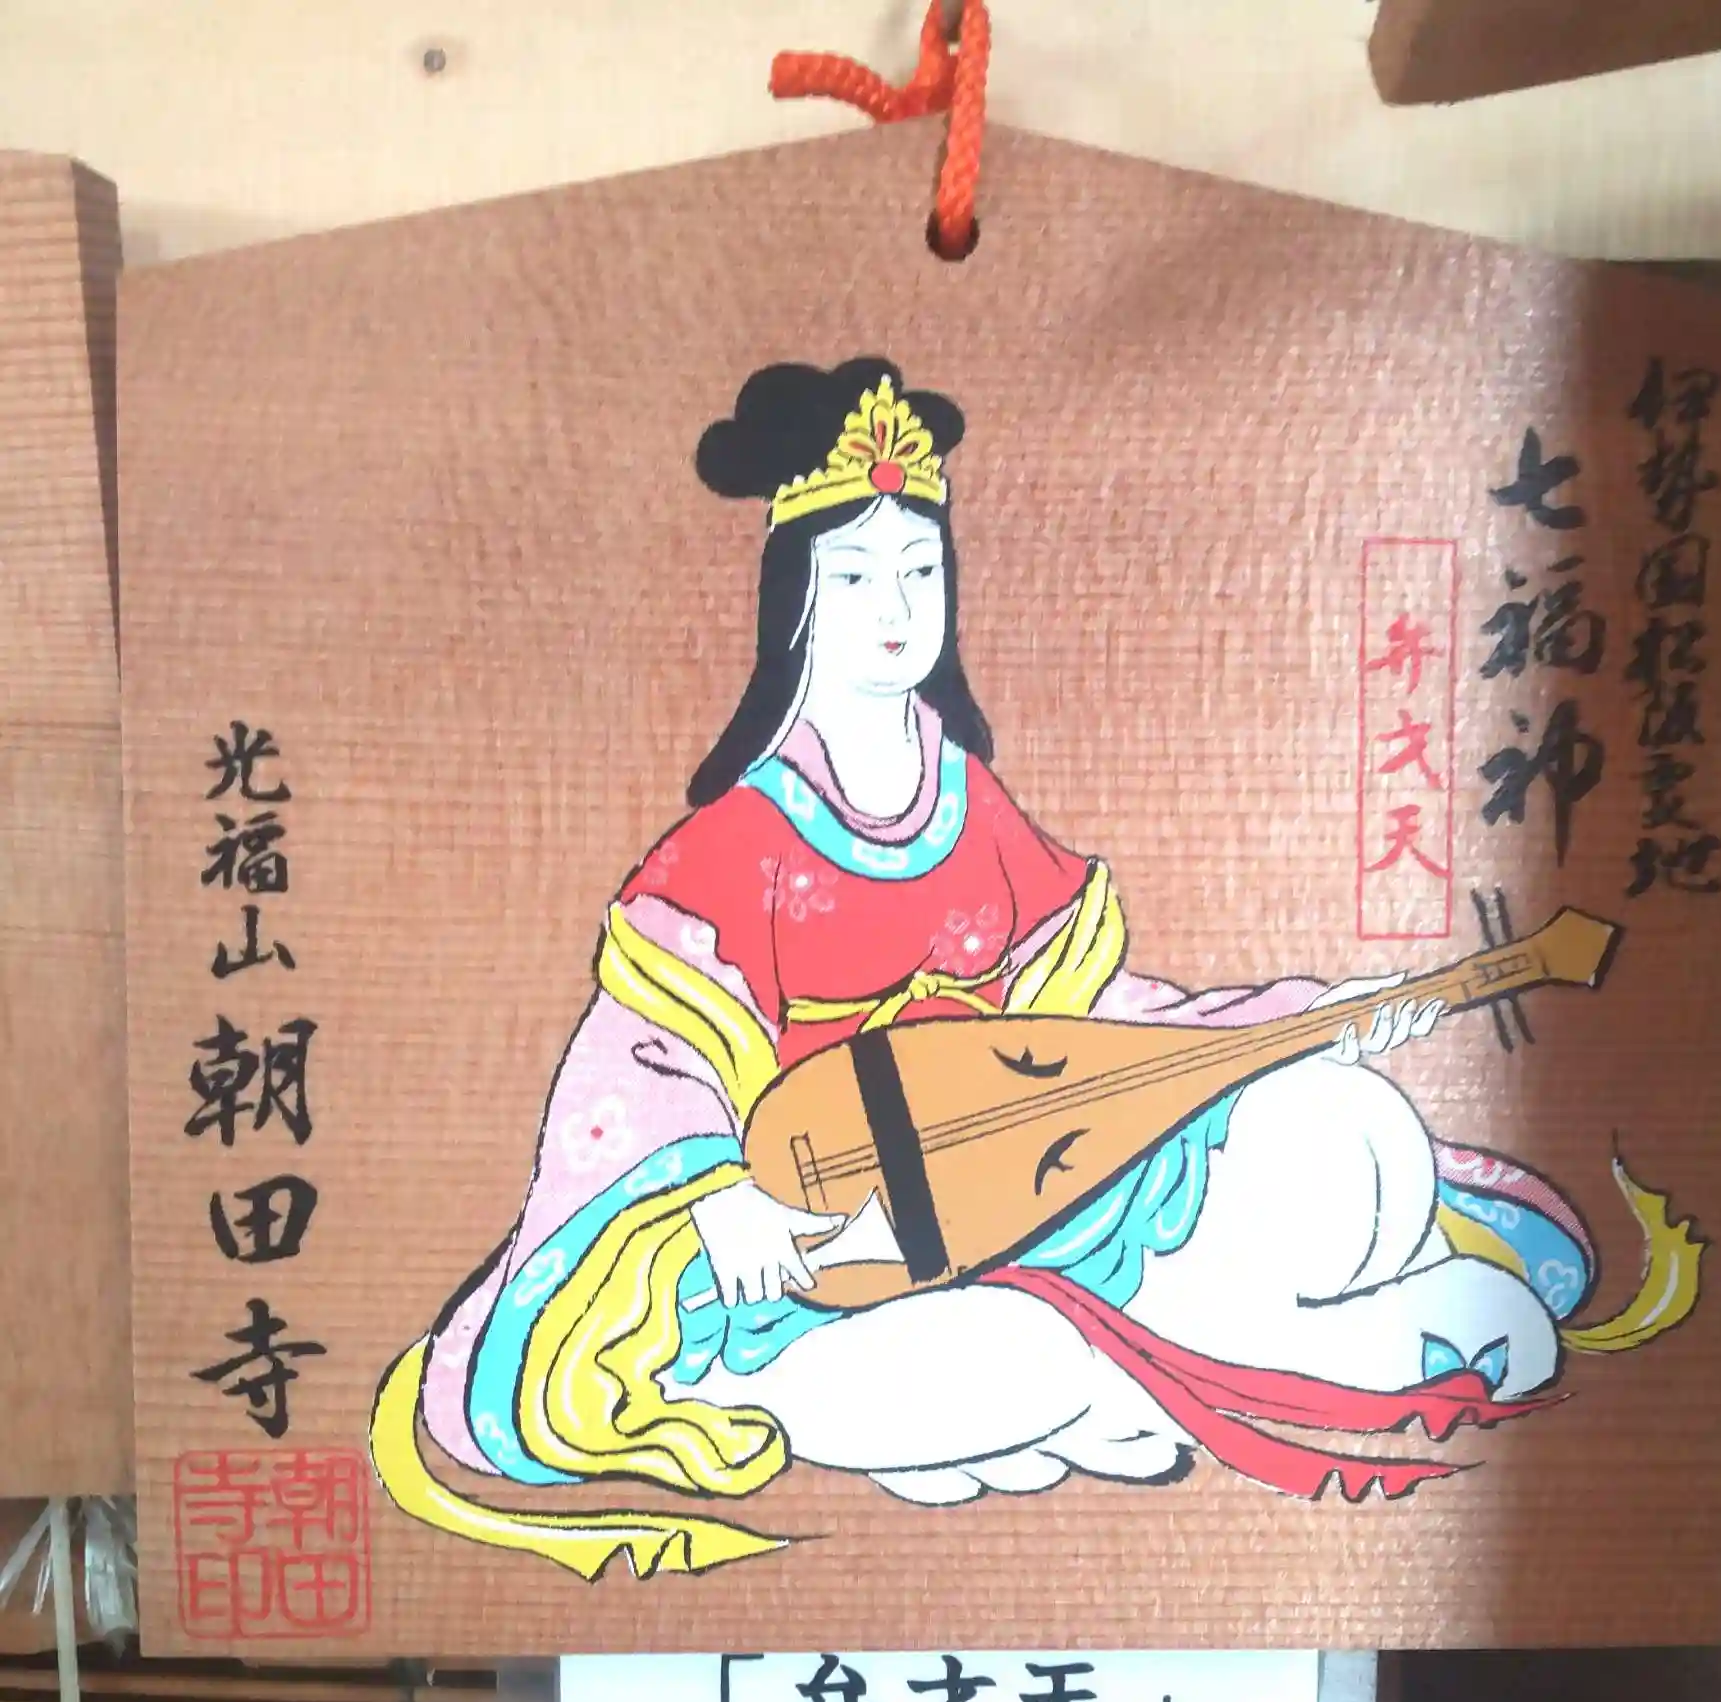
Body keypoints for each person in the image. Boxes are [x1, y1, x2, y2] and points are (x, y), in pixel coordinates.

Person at [370, 358, 1622, 1582]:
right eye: (856, 575)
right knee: (1025, 1360)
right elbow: (636, 1064)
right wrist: (719, 1198)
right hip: (819, 1248)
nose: (896, 606)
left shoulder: (970, 806)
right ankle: (1229, 1353)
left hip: (1020, 1181)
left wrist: (1288, 1025)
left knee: (1352, 1130)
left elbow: (1087, 1027)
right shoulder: (734, 845)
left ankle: (1215, 1344)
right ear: (796, 598)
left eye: (920, 571)